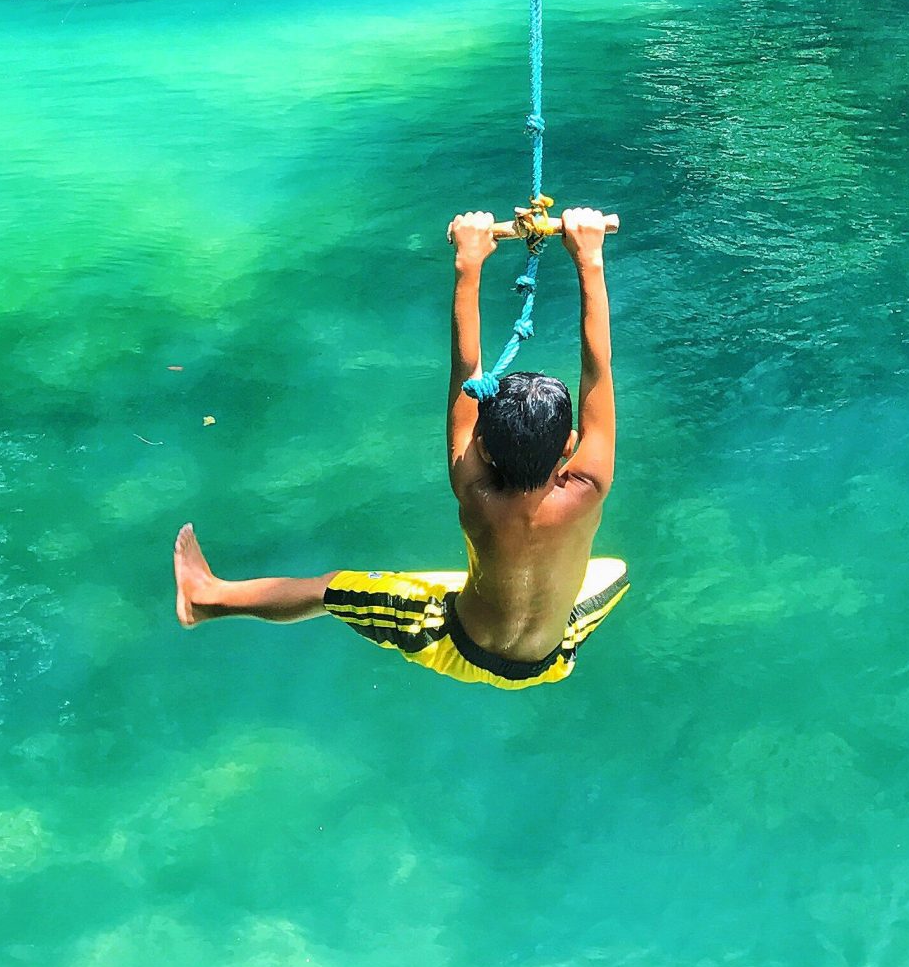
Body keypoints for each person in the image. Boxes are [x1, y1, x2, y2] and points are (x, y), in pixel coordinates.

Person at [172, 205, 625, 690]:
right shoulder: (590, 486)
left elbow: (465, 372)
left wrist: (468, 263)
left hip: (452, 643)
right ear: (570, 447)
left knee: (329, 589)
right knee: (615, 571)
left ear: (485, 450)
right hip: (551, 659)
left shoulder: (474, 488)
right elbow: (598, 370)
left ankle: (205, 599)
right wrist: (589, 257)